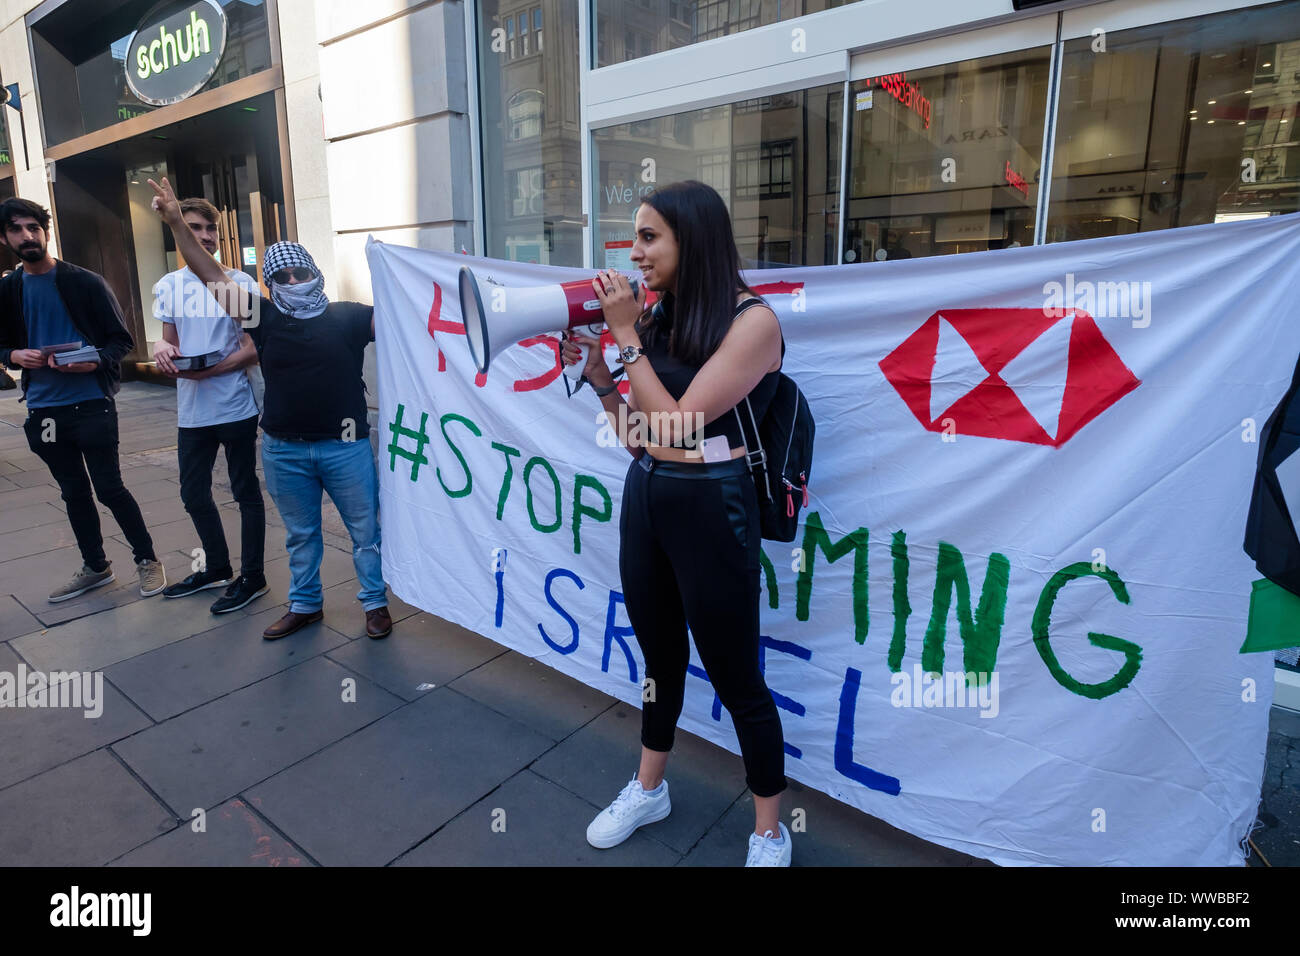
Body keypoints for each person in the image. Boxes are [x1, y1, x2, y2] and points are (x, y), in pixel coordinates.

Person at [562, 180, 792, 866]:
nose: (634, 253)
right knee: (660, 659)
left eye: (648, 237)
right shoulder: (659, 320)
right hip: (651, 493)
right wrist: (605, 375)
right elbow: (640, 438)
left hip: (714, 501)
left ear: (694, 239)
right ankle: (649, 787)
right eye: (635, 237)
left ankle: (769, 828)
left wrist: (626, 334)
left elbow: (680, 422)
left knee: (734, 675)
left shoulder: (754, 323)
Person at [146, 177, 393, 641]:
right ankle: (305, 605)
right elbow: (209, 274)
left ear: (314, 271)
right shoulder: (263, 316)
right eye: (282, 276)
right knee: (301, 535)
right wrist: (177, 224)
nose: (294, 282)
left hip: (345, 447)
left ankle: (375, 603)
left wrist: (441, 282)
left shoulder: (348, 315)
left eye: (300, 273)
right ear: (270, 282)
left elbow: (406, 320)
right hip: (284, 449)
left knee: (366, 531)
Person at [0, 197, 166, 601]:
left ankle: (147, 560)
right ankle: (96, 567)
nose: (28, 236)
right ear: (5, 237)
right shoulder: (7, 289)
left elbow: (120, 341)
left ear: (46, 232)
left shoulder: (84, 281)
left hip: (91, 402)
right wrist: (13, 356)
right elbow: (2, 344)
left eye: (34, 228)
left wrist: (93, 364)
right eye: (18, 229)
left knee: (109, 488)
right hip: (44, 409)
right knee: (73, 491)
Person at [152, 197, 268, 613]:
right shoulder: (169, 285)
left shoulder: (238, 284)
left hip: (236, 406)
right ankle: (217, 567)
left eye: (209, 230)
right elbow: (169, 340)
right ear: (178, 230)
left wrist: (211, 371)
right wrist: (163, 351)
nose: (204, 236)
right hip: (192, 410)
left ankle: (253, 577)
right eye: (194, 228)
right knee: (193, 494)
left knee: (245, 492)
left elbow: (254, 349)